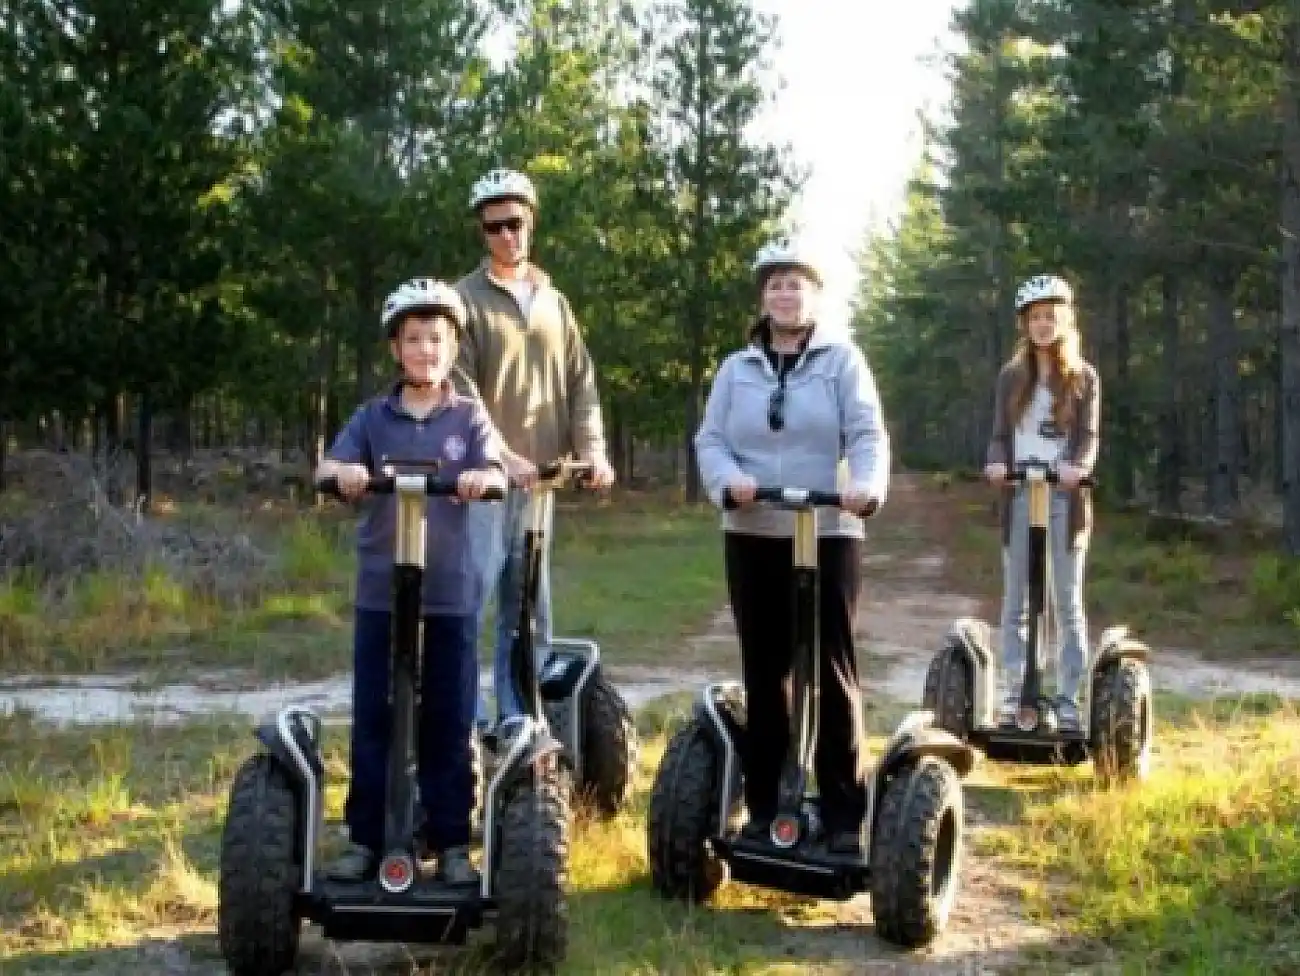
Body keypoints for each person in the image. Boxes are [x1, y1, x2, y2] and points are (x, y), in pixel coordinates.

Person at [694, 237, 891, 858]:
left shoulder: (843, 362)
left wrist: (865, 487)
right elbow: (711, 440)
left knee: (831, 671)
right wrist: (729, 483)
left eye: (797, 282)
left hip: (829, 530)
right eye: (776, 282)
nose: (785, 292)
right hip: (755, 531)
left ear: (816, 294)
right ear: (763, 295)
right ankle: (765, 807)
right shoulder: (736, 368)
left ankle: (841, 816)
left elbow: (867, 433)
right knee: (765, 671)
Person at [316, 277, 507, 885]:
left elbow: (497, 465)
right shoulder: (374, 417)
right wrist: (345, 471)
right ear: (396, 348)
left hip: (449, 591)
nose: (426, 350)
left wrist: (484, 477)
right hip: (382, 591)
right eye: (414, 339)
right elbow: (328, 463)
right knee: (375, 711)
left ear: (452, 349)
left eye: (437, 340)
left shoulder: (469, 416)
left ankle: (450, 839)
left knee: (448, 715)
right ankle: (366, 837)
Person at [452, 167, 616, 728]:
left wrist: (592, 449)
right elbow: (462, 389)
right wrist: (501, 454)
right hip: (483, 484)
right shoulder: (462, 301)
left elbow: (580, 380)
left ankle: (524, 718)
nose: (506, 236)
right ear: (482, 231)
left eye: (515, 223)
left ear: (531, 223)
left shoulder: (555, 302)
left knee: (530, 612)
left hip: (542, 483)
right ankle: (470, 726)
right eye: (494, 226)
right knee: (473, 605)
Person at [983, 274, 1100, 730]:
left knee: (1066, 601)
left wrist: (1079, 469)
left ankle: (1068, 698)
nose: (1043, 324)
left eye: (1051, 316)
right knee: (1016, 601)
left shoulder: (1083, 376)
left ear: (1065, 320)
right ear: (1024, 324)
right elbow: (998, 437)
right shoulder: (1012, 377)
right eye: (1035, 317)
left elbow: (1088, 436)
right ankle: (1016, 694)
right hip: (1019, 495)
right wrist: (995, 464)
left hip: (1064, 500)